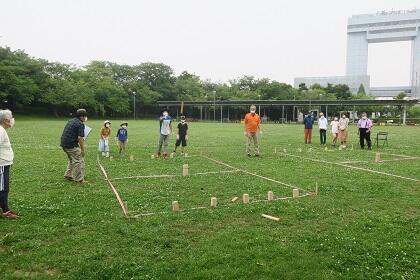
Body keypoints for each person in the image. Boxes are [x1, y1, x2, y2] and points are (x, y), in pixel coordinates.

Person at [60, 109, 87, 184]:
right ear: (81, 116)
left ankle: (68, 175)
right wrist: (82, 150)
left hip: (64, 143)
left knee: (72, 159)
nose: (85, 118)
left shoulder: (71, 120)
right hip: (71, 145)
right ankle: (79, 179)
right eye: (85, 116)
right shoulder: (80, 124)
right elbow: (80, 138)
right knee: (78, 160)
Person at [0, 109, 17, 219]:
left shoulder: (2, 130)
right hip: (1, 165)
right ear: (6, 120)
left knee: (3, 187)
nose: (12, 120)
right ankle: (5, 211)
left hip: (4, 164)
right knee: (3, 188)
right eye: (11, 118)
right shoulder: (0, 131)